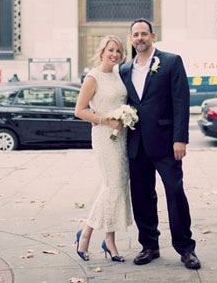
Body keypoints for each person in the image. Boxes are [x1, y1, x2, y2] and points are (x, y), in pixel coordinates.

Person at [118, 19, 200, 270]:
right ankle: (149, 246)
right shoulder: (124, 69)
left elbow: (181, 101)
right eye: (135, 34)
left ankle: (186, 249)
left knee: (175, 193)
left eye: (144, 33)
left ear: (152, 36)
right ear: (131, 39)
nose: (140, 38)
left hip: (166, 144)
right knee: (142, 196)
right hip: (136, 144)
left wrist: (180, 139)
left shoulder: (171, 62)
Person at [73, 35, 133, 262]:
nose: (115, 54)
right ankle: (86, 233)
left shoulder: (119, 74)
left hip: (122, 136)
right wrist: (107, 120)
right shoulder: (93, 77)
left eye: (118, 51)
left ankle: (109, 239)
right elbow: (79, 111)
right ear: (101, 52)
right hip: (104, 136)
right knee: (111, 186)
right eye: (111, 50)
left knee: (117, 187)